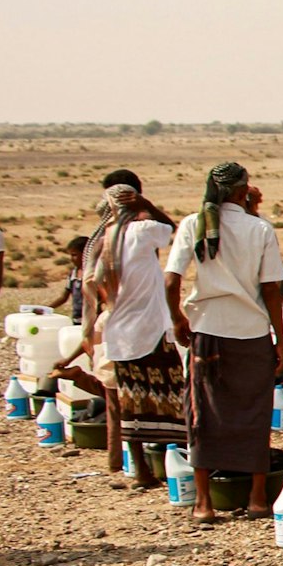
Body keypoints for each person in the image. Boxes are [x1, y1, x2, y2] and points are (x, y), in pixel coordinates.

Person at [163, 161, 283, 521]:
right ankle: (257, 498)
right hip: (251, 332)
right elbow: (271, 289)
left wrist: (177, 318)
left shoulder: (193, 224)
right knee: (255, 411)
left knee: (204, 413)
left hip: (208, 331)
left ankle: (204, 502)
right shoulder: (259, 229)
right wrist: (279, 340)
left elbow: (170, 281)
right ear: (242, 191)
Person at [85, 172, 181, 489]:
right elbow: (172, 229)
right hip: (151, 331)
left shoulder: (101, 241)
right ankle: (178, 466)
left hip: (119, 334)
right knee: (170, 396)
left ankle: (141, 470)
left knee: (131, 401)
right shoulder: (142, 231)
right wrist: (148, 206)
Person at [47, 237, 89, 323]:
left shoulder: (93, 274)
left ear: (85, 254)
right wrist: (46, 309)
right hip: (77, 319)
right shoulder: (73, 274)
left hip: (92, 320)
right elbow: (64, 297)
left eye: (74, 255)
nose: (71, 259)